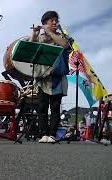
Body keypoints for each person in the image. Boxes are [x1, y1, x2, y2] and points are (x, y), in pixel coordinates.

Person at [29, 11, 71, 143]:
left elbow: (65, 45)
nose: (54, 23)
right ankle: (43, 134)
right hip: (42, 78)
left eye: (55, 20)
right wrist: (34, 35)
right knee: (41, 107)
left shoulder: (61, 36)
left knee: (55, 107)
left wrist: (51, 33)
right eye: (51, 20)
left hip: (56, 77)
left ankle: (52, 134)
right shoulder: (40, 38)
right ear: (44, 23)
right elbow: (30, 50)